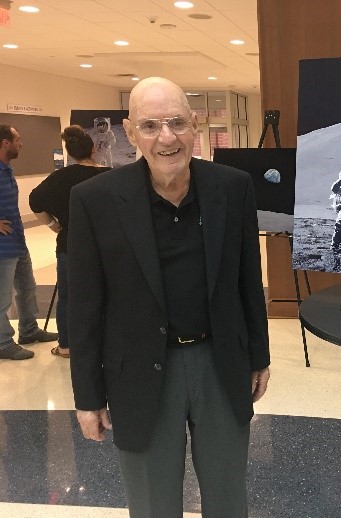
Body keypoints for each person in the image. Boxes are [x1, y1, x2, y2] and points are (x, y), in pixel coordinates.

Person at [68, 77, 270, 518]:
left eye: (177, 122)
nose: (166, 137)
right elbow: (82, 308)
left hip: (219, 363)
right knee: (152, 503)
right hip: (138, 370)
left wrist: (259, 354)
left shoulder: (232, 188)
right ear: (129, 131)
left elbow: (247, 280)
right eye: (150, 125)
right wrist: (87, 396)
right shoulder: (94, 200)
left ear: (194, 125)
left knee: (228, 497)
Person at [28, 125, 110, 359]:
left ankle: (66, 345)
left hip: (69, 244)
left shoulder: (60, 177)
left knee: (68, 296)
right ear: (93, 148)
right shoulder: (110, 176)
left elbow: (35, 201)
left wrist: (53, 224)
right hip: (104, 246)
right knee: (106, 294)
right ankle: (104, 342)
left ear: (71, 152)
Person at [0, 125, 59, 361]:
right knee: (2, 298)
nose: (21, 144)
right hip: (3, 249)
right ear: (5, 142)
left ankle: (29, 330)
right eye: (18, 139)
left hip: (18, 243)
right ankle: (4, 342)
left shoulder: (7, 169)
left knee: (27, 288)